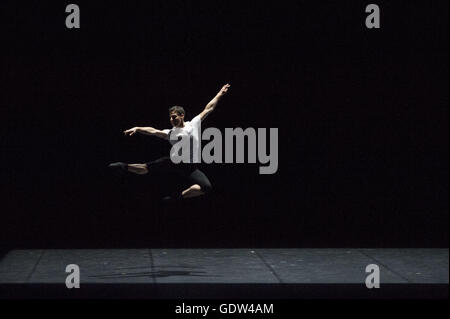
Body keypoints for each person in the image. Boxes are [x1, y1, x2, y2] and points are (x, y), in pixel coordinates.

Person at [109, 84, 230, 201]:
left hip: (189, 167)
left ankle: (178, 197)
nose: (171, 120)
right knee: (146, 168)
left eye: (174, 117)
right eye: (170, 117)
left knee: (207, 188)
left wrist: (220, 93)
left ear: (182, 115)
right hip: (173, 161)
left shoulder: (193, 124)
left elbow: (209, 108)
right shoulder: (170, 133)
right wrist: (137, 128)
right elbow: (153, 131)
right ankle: (123, 166)